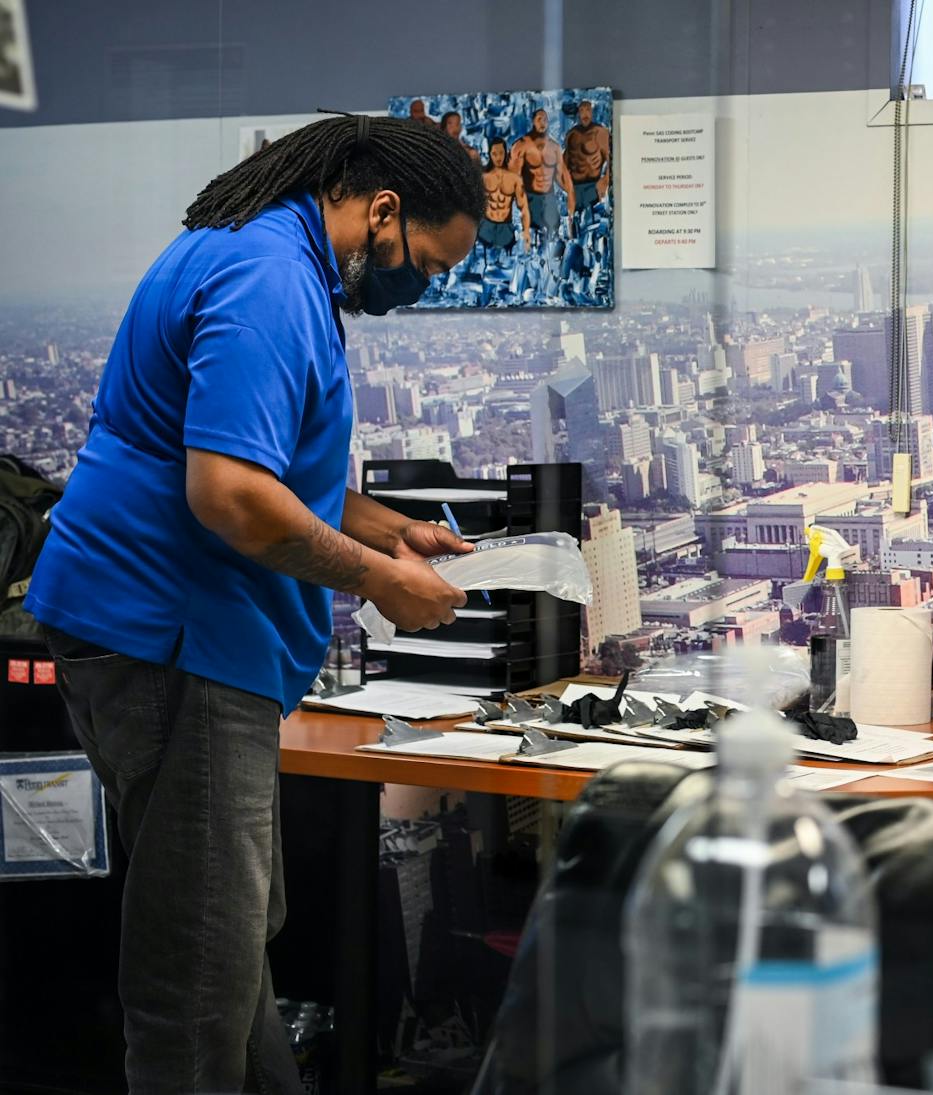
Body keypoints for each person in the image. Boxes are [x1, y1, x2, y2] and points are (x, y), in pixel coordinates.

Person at [23, 113, 483, 1095]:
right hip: (174, 640)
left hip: (168, 629)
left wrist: (389, 532)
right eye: (427, 266)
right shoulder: (269, 280)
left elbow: (264, 467)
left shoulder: (262, 253)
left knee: (230, 941)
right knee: (195, 970)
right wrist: (380, 582)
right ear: (383, 210)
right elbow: (229, 493)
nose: (421, 289)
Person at [508, 108, 574, 246]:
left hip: (549, 198)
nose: (542, 123)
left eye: (545, 120)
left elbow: (560, 176)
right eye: (539, 119)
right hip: (530, 198)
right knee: (532, 243)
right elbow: (513, 179)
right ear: (533, 121)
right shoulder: (521, 146)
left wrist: (571, 195)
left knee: (553, 240)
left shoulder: (554, 148)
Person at [479, 136, 529, 265]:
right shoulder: (483, 178)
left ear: (505, 153)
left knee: (508, 266)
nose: (498, 157)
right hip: (486, 226)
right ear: (490, 154)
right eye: (494, 154)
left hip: (506, 227)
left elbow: (523, 207)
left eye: (501, 153)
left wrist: (526, 232)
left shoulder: (515, 179)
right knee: (486, 265)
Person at [563, 99, 611, 216]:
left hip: (593, 187)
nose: (585, 114)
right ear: (578, 113)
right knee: (574, 229)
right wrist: (566, 186)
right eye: (582, 110)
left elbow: (612, 161)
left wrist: (605, 180)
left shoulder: (601, 133)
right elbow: (564, 163)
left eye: (588, 110)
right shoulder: (571, 134)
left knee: (592, 226)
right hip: (574, 189)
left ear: (592, 112)